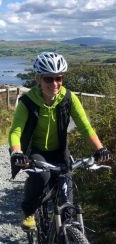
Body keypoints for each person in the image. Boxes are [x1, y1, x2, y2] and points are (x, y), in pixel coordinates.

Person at [8, 52, 111, 231]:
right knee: (42, 177)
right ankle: (29, 212)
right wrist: (17, 152)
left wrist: (100, 148)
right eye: (48, 79)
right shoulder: (28, 101)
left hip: (60, 150)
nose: (54, 84)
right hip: (36, 150)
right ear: (38, 79)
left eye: (59, 78)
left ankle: (67, 231)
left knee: (67, 190)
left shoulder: (69, 98)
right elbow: (16, 131)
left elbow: (86, 127)